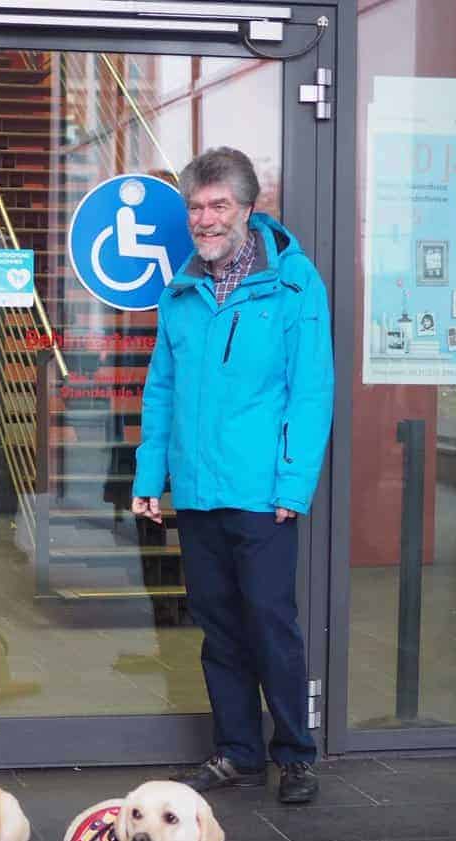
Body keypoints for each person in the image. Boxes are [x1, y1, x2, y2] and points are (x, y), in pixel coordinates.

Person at [131, 147, 333, 805]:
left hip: (261, 495)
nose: (204, 219)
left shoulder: (294, 284)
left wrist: (292, 484)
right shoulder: (180, 291)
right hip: (195, 491)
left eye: (218, 205)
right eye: (195, 206)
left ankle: (295, 755)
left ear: (247, 209)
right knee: (217, 629)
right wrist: (148, 475)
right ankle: (238, 752)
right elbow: (160, 390)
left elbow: (310, 391)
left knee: (271, 625)